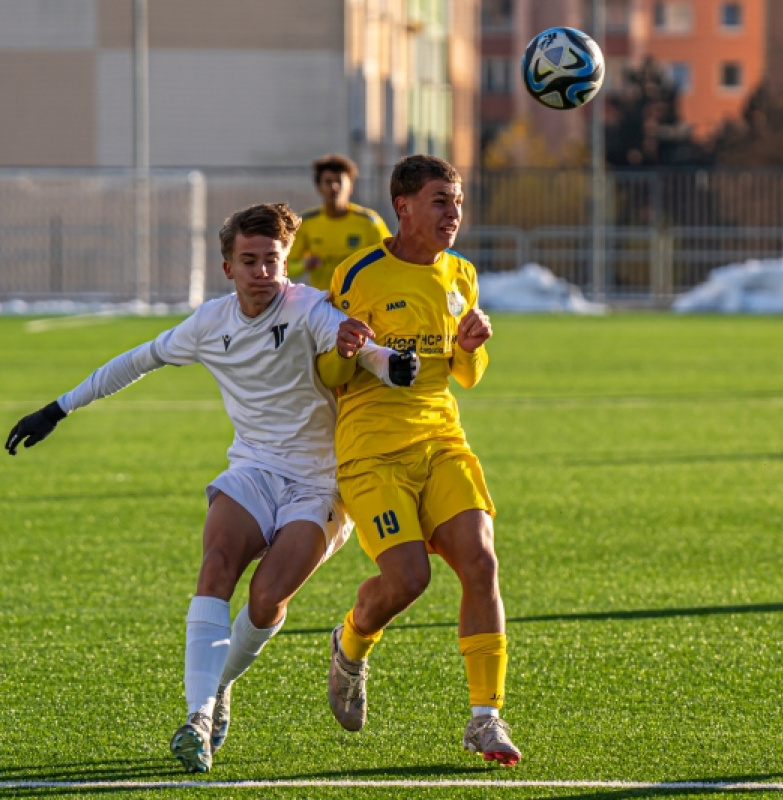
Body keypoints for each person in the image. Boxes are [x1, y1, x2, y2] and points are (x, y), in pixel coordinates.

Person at [4, 202, 418, 774]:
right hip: (251, 469)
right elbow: (137, 359)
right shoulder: (210, 323)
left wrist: (388, 362)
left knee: (266, 598)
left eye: (271, 260)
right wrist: (58, 408)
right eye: (249, 261)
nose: (262, 271)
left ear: (285, 261)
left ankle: (221, 684)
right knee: (216, 565)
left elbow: (357, 346)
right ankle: (198, 717)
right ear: (227, 268)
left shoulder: (310, 309)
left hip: (319, 485)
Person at [323, 155, 521, 767]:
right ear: (402, 206)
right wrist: (346, 347)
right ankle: (350, 643)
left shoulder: (462, 272)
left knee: (481, 560)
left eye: (457, 201)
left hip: (441, 441)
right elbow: (327, 373)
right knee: (409, 580)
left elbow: (466, 376)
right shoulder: (358, 273)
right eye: (441, 201)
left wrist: (471, 348)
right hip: (371, 453)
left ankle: (486, 717)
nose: (453, 213)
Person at [288, 153, 391, 291]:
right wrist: (304, 264)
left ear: (350, 186)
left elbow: (391, 259)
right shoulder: (306, 222)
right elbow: (287, 266)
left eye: (339, 181)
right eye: (328, 182)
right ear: (319, 187)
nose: (334, 187)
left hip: (360, 303)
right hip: (324, 302)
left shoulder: (369, 221)